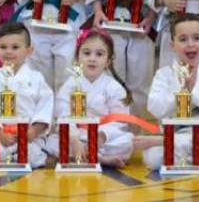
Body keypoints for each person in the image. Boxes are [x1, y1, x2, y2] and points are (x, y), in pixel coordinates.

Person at [141, 15, 199, 172]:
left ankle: (173, 147)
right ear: (172, 45)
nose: (190, 44)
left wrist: (195, 89)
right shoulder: (164, 74)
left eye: (196, 38)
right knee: (152, 157)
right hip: (172, 131)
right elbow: (155, 108)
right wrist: (181, 90)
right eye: (183, 39)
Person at [45, 29, 134, 168]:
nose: (92, 58)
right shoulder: (70, 84)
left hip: (101, 138)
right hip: (75, 135)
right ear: (77, 58)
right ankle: (99, 159)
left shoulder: (114, 87)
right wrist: (73, 138)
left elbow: (120, 121)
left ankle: (83, 156)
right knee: (52, 142)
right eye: (86, 53)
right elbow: (62, 114)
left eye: (99, 54)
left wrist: (100, 137)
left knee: (126, 142)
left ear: (108, 61)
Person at [0, 22, 54, 168]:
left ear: (29, 51)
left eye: (15, 47)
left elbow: (45, 106)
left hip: (29, 135)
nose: (8, 52)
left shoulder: (36, 78)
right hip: (2, 134)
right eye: (3, 47)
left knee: (31, 155)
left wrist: (34, 130)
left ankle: (45, 158)